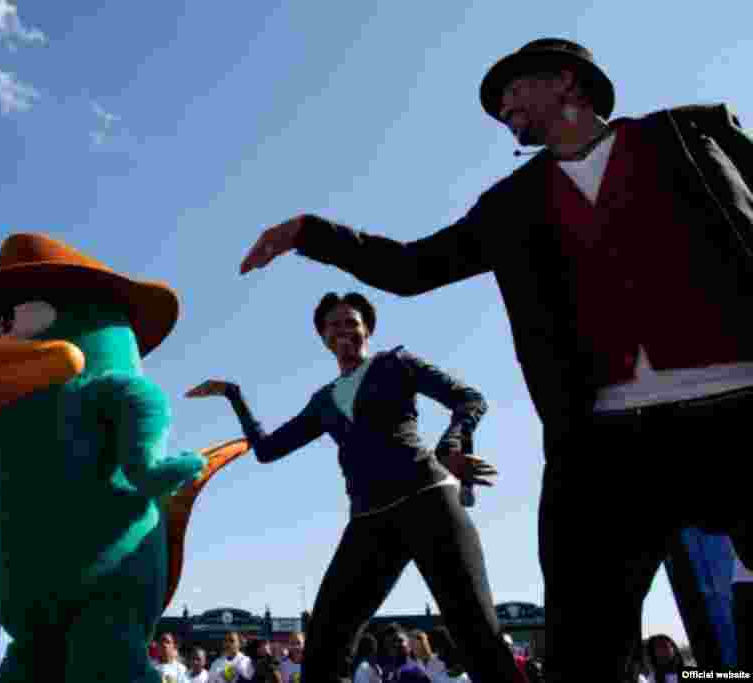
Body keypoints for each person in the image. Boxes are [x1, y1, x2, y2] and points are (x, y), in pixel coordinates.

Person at [239, 37, 753, 682]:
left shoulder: (687, 137)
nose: (502, 108)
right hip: (606, 443)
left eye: (512, 91)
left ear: (568, 82)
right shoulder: (514, 202)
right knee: (583, 650)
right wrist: (310, 233)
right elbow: (411, 267)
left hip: (741, 411)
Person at [188, 292, 523, 683]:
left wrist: (450, 446)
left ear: (367, 329)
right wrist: (234, 395)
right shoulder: (324, 401)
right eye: (334, 325)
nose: (343, 330)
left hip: (429, 501)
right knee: (324, 644)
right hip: (369, 520)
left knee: (476, 632)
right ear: (323, 338)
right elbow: (267, 450)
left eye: (351, 321)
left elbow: (469, 400)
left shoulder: (397, 363)